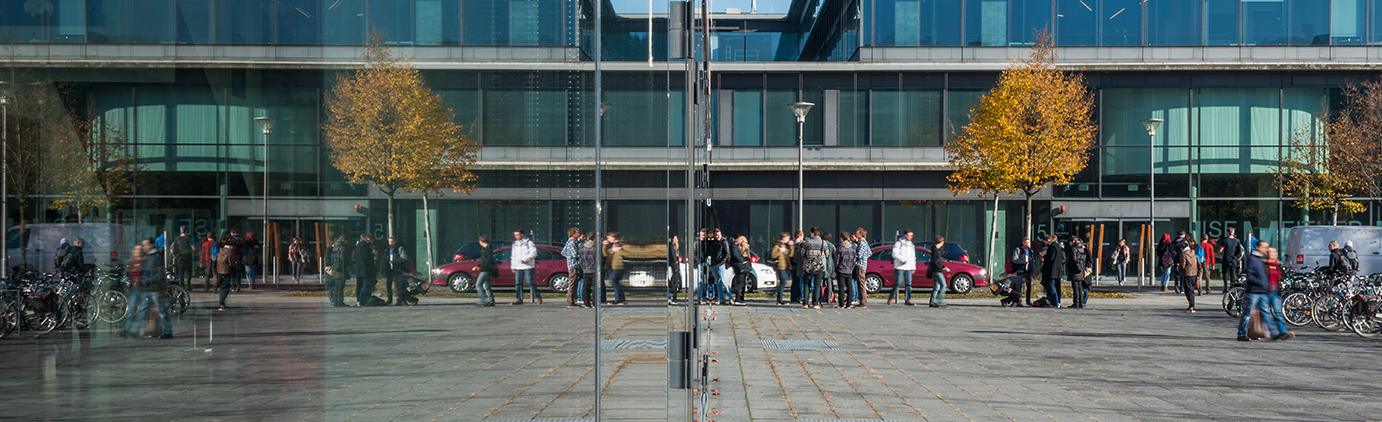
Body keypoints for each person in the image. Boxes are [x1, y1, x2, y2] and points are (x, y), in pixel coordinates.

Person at [1237, 240, 1294, 341]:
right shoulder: (1252, 258)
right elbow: (1250, 275)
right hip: (1254, 292)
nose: (1266, 250)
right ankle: (1241, 333)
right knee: (1247, 313)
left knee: (1266, 313)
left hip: (1262, 292)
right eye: (1264, 247)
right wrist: (1261, 282)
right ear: (1258, 247)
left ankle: (1274, 333)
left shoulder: (1260, 260)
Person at [799, 227, 828, 309]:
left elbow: (802, 253)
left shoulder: (806, 242)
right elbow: (827, 254)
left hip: (808, 266)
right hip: (819, 266)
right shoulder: (823, 243)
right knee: (817, 284)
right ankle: (815, 303)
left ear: (812, 233)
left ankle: (805, 303)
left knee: (807, 284)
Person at [510, 229, 540, 305]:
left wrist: (525, 259)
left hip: (528, 266)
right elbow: (513, 256)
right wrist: (513, 266)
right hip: (518, 266)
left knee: (530, 282)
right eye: (515, 235)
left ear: (522, 234)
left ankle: (538, 297)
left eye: (518, 235)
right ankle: (519, 299)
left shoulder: (529, 243)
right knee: (518, 283)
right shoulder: (515, 244)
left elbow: (533, 253)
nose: (516, 236)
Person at [215, 233, 241, 311]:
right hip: (226, 271)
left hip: (219, 271)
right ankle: (221, 303)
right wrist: (235, 267)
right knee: (225, 288)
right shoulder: (230, 252)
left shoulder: (220, 251)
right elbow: (230, 263)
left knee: (222, 287)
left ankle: (221, 302)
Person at [889, 231, 916, 306]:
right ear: (905, 235)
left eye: (912, 235)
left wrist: (913, 267)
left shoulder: (911, 245)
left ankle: (908, 299)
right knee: (898, 282)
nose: (910, 237)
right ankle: (891, 297)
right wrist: (902, 260)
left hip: (908, 267)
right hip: (900, 266)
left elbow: (913, 257)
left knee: (909, 283)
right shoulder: (899, 243)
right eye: (909, 235)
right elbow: (894, 254)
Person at [385, 237, 413, 306]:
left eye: (392, 241)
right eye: (389, 242)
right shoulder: (387, 249)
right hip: (389, 269)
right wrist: (384, 270)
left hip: (397, 269)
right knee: (389, 285)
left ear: (395, 241)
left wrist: (394, 261)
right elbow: (384, 260)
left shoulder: (399, 248)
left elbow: (404, 258)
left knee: (399, 285)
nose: (391, 243)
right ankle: (389, 299)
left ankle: (399, 300)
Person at [602, 232, 627, 305]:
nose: (608, 239)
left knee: (614, 281)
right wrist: (605, 246)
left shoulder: (621, 244)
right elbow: (605, 254)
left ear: (613, 238)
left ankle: (619, 299)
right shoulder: (611, 245)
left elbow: (626, 253)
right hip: (612, 266)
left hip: (618, 266)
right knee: (614, 282)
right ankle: (619, 298)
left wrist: (618, 250)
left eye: (608, 238)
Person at [1008, 238, 1035, 307]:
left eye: (1028, 243)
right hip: (1021, 270)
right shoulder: (1018, 249)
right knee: (1018, 286)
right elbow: (1015, 259)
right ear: (1023, 242)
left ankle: (1028, 300)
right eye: (1025, 243)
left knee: (1029, 286)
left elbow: (1032, 262)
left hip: (1028, 271)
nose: (1027, 244)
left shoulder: (1030, 251)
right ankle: (1018, 300)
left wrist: (1033, 271)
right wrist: (1023, 263)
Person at [1041, 235, 1065, 308]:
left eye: (1045, 242)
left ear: (1048, 240)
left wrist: (1043, 256)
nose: (1045, 244)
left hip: (1052, 271)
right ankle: (1056, 302)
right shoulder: (1058, 246)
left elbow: (1051, 258)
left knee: (1051, 287)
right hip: (1057, 271)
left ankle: (1055, 302)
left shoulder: (1052, 246)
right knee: (1056, 287)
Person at [352, 234, 377, 306]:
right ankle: (362, 300)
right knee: (365, 285)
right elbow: (366, 257)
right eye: (372, 240)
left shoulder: (358, 245)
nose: (372, 242)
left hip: (358, 269)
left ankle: (358, 300)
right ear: (369, 239)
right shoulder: (365, 246)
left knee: (359, 285)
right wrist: (373, 255)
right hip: (365, 269)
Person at [1175, 239, 1199, 312]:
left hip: (1187, 273)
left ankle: (1192, 306)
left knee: (1188, 290)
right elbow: (1198, 263)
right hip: (1194, 273)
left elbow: (1183, 265)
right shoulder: (1193, 253)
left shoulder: (1184, 254)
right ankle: (1191, 305)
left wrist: (1179, 268)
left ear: (1181, 248)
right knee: (1191, 290)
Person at [474, 235, 498, 306]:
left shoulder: (487, 250)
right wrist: (479, 265)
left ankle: (482, 299)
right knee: (486, 286)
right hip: (487, 269)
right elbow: (484, 260)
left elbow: (487, 261)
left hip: (486, 269)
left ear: (481, 241)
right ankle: (491, 301)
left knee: (478, 284)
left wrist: (481, 267)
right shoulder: (487, 249)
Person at [770, 233, 794, 306]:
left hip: (786, 266)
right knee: (783, 282)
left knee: (784, 282)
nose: (788, 240)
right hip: (781, 266)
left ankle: (777, 295)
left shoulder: (785, 246)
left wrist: (791, 246)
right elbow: (773, 255)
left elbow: (790, 254)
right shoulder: (777, 245)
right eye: (787, 238)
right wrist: (780, 250)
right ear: (783, 238)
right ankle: (778, 298)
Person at [324, 236, 348, 307]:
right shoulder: (342, 248)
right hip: (340, 269)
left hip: (335, 269)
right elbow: (342, 258)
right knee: (340, 286)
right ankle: (339, 301)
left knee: (336, 286)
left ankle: (335, 301)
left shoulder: (334, 249)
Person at [728, 235, 752, 305]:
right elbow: (735, 255)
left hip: (741, 265)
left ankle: (738, 298)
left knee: (742, 282)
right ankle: (731, 292)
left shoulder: (738, 246)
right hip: (739, 265)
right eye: (740, 239)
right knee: (741, 283)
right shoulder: (734, 245)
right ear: (737, 239)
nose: (741, 240)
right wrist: (742, 260)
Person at [835, 232, 857, 308]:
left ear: (841, 238)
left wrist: (836, 268)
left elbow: (837, 260)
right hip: (849, 270)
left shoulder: (840, 248)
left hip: (841, 270)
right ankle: (849, 304)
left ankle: (841, 304)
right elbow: (854, 260)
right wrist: (851, 267)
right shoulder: (853, 249)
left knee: (841, 288)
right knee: (849, 287)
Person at [562, 228, 583, 308]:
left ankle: (572, 301)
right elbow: (575, 255)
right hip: (573, 265)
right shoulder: (572, 243)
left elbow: (563, 252)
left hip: (572, 264)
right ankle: (570, 302)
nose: (578, 234)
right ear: (572, 234)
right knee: (573, 283)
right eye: (577, 233)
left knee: (574, 283)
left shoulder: (570, 242)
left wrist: (568, 257)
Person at [1066, 237, 1089, 309]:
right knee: (1079, 286)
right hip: (1081, 269)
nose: (1069, 244)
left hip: (1074, 269)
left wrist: (1068, 265)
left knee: (1075, 286)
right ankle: (1081, 302)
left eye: (1070, 242)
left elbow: (1073, 259)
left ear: (1073, 241)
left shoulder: (1074, 249)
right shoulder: (1081, 248)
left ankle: (1076, 302)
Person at [928, 236, 950, 308]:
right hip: (937, 270)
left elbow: (938, 261)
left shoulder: (936, 250)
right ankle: (940, 300)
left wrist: (944, 267)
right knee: (944, 285)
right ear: (941, 242)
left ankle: (932, 302)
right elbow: (936, 262)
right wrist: (942, 267)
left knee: (936, 287)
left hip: (936, 270)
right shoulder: (936, 251)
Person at [577, 235, 598, 308]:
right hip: (594, 269)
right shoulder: (595, 248)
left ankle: (586, 303)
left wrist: (582, 267)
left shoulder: (582, 248)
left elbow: (580, 259)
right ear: (594, 238)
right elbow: (598, 259)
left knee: (586, 287)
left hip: (585, 269)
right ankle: (595, 303)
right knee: (595, 287)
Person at [852, 229, 872, 308]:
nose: (856, 235)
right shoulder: (864, 243)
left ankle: (863, 302)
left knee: (861, 284)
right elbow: (869, 253)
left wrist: (853, 257)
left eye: (857, 233)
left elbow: (859, 255)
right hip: (862, 265)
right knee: (860, 284)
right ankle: (862, 301)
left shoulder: (862, 243)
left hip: (860, 266)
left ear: (861, 234)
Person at [819, 232, 837, 305]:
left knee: (820, 282)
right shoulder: (832, 246)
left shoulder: (820, 245)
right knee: (829, 283)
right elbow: (835, 256)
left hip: (821, 265)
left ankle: (820, 296)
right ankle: (829, 298)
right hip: (830, 266)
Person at [790, 230, 806, 304]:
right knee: (798, 282)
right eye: (802, 236)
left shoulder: (792, 244)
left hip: (793, 265)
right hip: (797, 265)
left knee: (795, 282)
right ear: (799, 236)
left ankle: (794, 297)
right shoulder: (799, 245)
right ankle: (796, 297)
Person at [667, 235, 682, 305]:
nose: (676, 240)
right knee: (673, 282)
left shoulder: (676, 247)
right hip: (674, 265)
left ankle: (673, 298)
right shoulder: (672, 246)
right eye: (675, 239)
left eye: (677, 239)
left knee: (675, 281)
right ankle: (673, 298)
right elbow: (673, 255)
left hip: (676, 265)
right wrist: (676, 260)